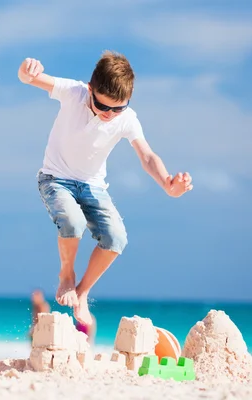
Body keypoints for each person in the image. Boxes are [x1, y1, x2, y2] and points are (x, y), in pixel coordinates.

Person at [17, 51, 193, 326]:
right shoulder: (73, 92)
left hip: (93, 185)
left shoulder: (128, 118)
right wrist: (27, 71)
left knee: (116, 239)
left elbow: (147, 156)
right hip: (55, 178)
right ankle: (67, 276)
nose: (109, 114)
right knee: (72, 222)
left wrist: (168, 183)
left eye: (117, 108)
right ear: (90, 90)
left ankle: (83, 291)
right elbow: (31, 79)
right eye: (102, 107)